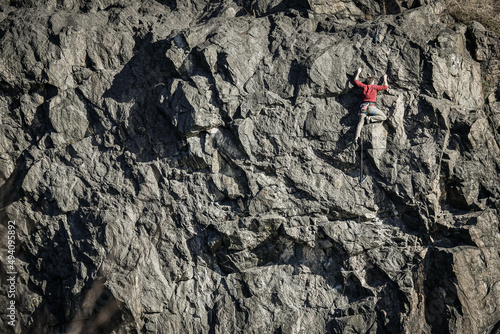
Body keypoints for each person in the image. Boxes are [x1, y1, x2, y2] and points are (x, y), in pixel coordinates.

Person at [353, 68, 388, 142]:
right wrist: (385, 79)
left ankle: (356, 138)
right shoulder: (374, 87)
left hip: (363, 107)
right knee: (383, 117)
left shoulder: (364, 87)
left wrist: (358, 72)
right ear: (372, 82)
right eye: (374, 81)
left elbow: (355, 81)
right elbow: (385, 87)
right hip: (371, 107)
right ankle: (370, 119)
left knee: (360, 123)